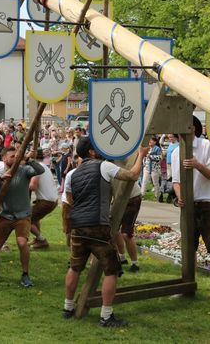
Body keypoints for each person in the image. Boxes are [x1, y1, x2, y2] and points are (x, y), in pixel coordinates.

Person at [62, 137, 147, 326]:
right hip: (97, 226)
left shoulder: (72, 174)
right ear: (92, 152)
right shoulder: (104, 166)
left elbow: (70, 200)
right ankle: (106, 316)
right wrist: (141, 155)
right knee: (112, 270)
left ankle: (67, 308)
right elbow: (132, 175)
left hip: (78, 226)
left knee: (75, 267)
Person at [171, 116, 210, 313]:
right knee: (188, 250)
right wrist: (180, 197)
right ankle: (187, 287)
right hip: (188, 206)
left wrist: (197, 164)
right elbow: (176, 181)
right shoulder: (175, 152)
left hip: (207, 205)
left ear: (192, 127)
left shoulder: (207, 145)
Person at [0, 146, 45, 288]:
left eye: (17, 156)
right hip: (6, 216)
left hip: (23, 216)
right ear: (4, 158)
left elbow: (40, 170)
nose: (15, 158)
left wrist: (30, 159)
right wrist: (0, 179)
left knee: (22, 243)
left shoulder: (24, 170)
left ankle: (25, 274)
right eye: (12, 156)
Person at [29, 149, 59, 250]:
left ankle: (41, 240)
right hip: (52, 200)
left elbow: (32, 186)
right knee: (34, 218)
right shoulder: (44, 166)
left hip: (46, 201)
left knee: (25, 219)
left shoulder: (37, 168)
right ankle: (37, 239)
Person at [115, 179, 143, 273]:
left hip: (132, 198)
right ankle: (122, 257)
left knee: (126, 234)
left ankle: (135, 263)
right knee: (113, 230)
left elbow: (134, 175)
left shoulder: (120, 165)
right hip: (117, 199)